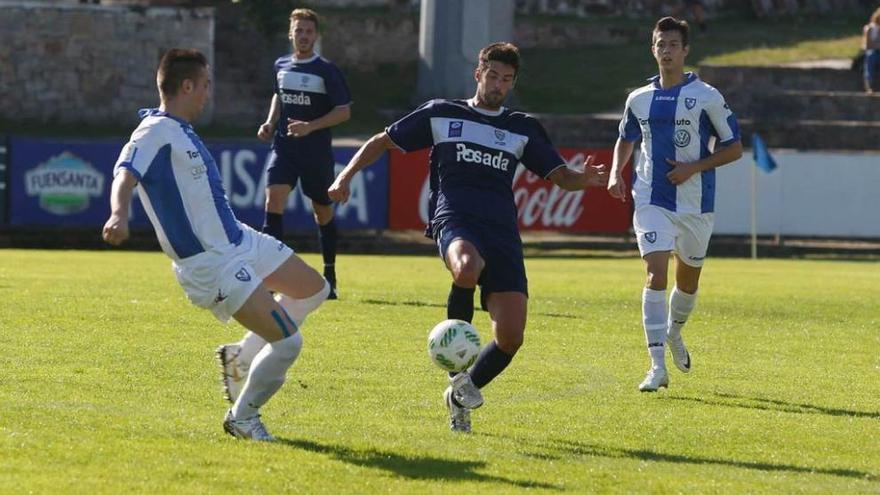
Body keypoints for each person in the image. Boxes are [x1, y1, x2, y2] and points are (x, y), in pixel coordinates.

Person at [328, 42, 608, 433]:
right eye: (492, 75)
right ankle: (456, 373)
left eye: (506, 79)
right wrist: (344, 177)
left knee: (511, 337)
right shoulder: (443, 113)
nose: (497, 85)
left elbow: (560, 177)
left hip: (502, 232)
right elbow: (381, 141)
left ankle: (462, 393)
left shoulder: (521, 127)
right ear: (478, 74)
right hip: (455, 218)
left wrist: (587, 179)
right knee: (466, 267)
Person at [103, 48, 331, 441]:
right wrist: (118, 214)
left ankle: (240, 357)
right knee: (289, 344)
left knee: (315, 289)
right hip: (213, 264)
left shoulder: (181, 130)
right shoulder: (153, 131)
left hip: (240, 239)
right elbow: (124, 174)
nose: (208, 93)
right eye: (205, 85)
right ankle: (243, 418)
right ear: (186, 85)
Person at [608, 17, 743, 392]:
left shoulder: (707, 96)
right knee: (655, 273)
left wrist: (693, 168)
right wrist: (615, 172)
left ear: (685, 51)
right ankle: (655, 366)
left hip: (696, 203)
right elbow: (625, 137)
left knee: (688, 282)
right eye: (659, 44)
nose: (665, 50)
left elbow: (734, 147)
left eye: (672, 44)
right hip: (651, 197)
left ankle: (675, 332)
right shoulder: (638, 98)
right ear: (652, 50)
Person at [257, 8, 352, 299]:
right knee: (273, 199)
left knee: (322, 212)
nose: (304, 36)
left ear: (316, 35)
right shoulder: (281, 64)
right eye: (299, 31)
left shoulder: (326, 69)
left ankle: (330, 275)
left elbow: (344, 112)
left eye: (309, 31)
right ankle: (271, 278)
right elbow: (278, 95)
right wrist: (271, 122)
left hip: (315, 152)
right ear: (291, 33)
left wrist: (311, 126)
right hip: (285, 148)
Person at [862, 7, 880, 94]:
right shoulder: (869, 28)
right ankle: (869, 87)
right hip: (872, 51)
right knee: (871, 57)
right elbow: (868, 45)